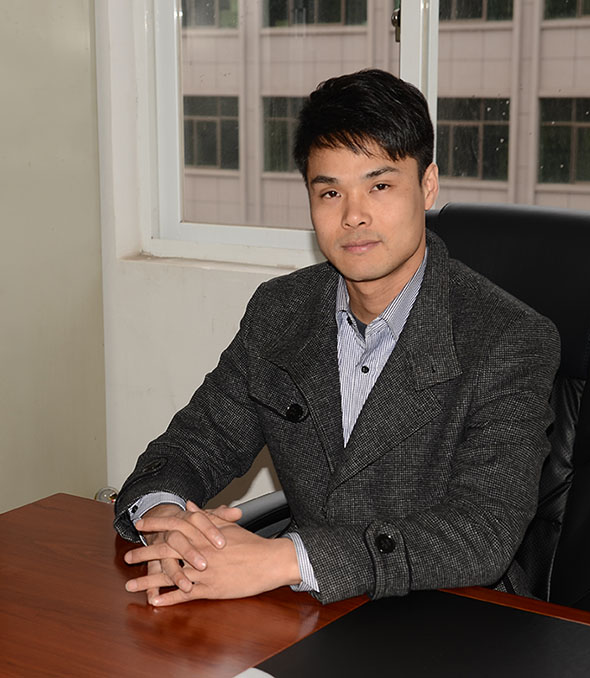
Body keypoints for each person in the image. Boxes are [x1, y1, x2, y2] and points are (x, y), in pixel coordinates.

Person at [113, 68, 560, 607]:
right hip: (312, 611)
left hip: (450, 616)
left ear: (428, 185)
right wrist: (167, 519)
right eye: (330, 192)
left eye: (380, 186)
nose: (353, 216)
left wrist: (285, 559)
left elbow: (480, 533)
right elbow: (193, 445)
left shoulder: (509, 338)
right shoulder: (281, 312)